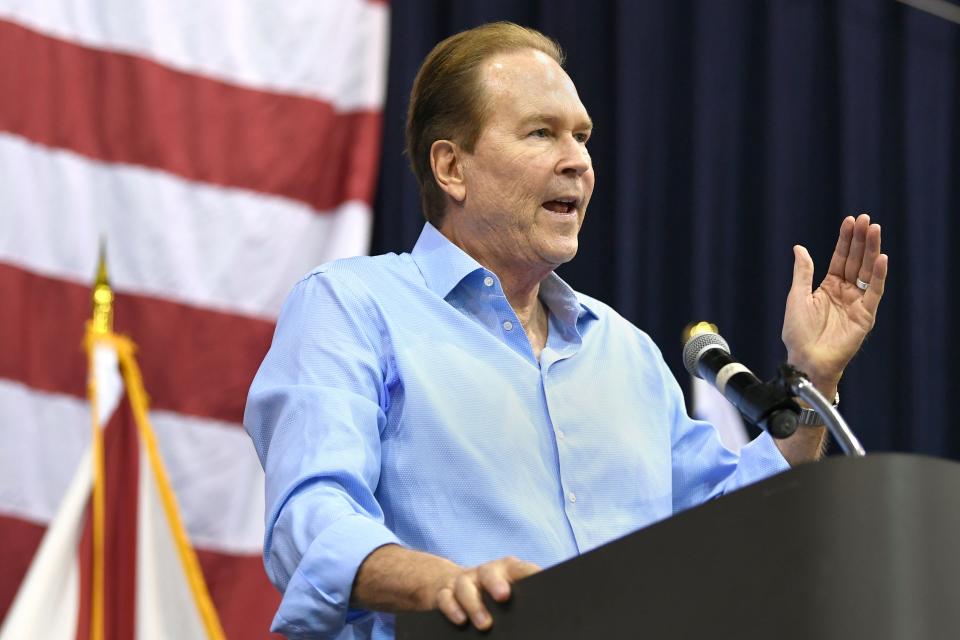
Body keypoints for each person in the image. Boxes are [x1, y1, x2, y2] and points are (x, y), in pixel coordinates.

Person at [244, 22, 887, 640]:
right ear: (452, 169)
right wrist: (443, 585)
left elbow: (730, 524)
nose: (578, 161)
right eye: (541, 133)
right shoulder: (353, 306)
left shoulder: (624, 351)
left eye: (582, 137)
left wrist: (815, 379)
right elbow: (311, 518)